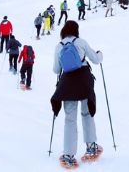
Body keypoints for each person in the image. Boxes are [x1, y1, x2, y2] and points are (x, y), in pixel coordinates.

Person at [50, 20, 104, 167]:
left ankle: (68, 155)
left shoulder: (59, 46)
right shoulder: (81, 42)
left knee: (70, 119)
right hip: (84, 82)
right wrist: (100, 54)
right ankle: (91, 147)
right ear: (76, 30)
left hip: (68, 84)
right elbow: (95, 59)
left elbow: (56, 70)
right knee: (87, 114)